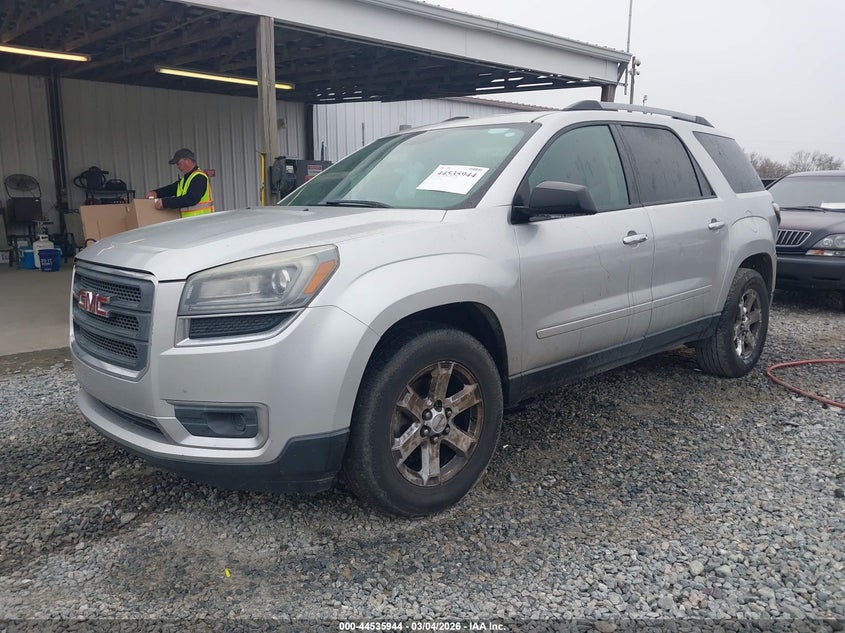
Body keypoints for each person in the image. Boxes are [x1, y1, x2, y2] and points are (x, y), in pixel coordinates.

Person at [145, 148, 214, 217]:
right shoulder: (186, 179)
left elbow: (191, 198)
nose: (177, 167)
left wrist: (165, 202)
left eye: (178, 163)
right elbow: (171, 189)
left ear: (187, 160)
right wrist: (156, 193)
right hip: (191, 220)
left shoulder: (199, 177)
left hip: (201, 221)